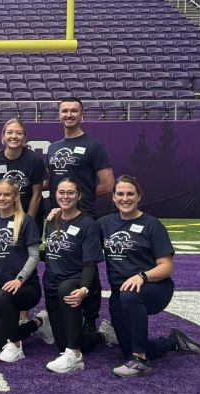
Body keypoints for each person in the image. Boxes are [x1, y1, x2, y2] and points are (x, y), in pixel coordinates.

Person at [98, 175, 200, 378]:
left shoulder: (152, 225)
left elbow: (166, 267)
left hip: (154, 287)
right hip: (120, 293)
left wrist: (142, 276)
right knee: (126, 349)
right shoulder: (104, 224)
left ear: (139, 196)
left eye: (130, 194)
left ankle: (140, 361)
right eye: (120, 194)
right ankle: (174, 342)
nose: (125, 198)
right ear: (113, 198)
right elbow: (81, 236)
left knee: (130, 295)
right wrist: (59, 213)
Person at [45, 97, 115, 334]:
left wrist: (77, 201)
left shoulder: (94, 146)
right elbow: (49, 182)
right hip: (58, 217)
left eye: (74, 110)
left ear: (81, 114)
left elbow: (107, 184)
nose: (69, 114)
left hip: (85, 217)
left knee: (88, 268)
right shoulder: (53, 147)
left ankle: (89, 317)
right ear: (59, 115)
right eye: (64, 111)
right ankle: (62, 311)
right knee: (61, 264)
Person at [42, 178, 109, 373]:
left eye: (70, 192)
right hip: (52, 283)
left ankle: (76, 355)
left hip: (75, 281)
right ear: (55, 194)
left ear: (79, 196)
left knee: (66, 289)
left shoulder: (88, 224)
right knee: (60, 344)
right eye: (61, 192)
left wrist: (84, 289)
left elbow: (89, 264)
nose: (65, 196)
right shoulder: (52, 219)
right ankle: (103, 336)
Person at [0, 178, 53, 363]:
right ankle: (39, 322)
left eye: (7, 194)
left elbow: (34, 256)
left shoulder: (26, 221)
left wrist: (19, 279)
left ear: (16, 197)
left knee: (9, 335)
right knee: (1, 342)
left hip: (26, 288)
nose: (2, 198)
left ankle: (16, 347)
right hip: (1, 292)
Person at [0, 118, 46, 221]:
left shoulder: (35, 160)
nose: (14, 136)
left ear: (24, 137)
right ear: (3, 136)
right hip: (4, 216)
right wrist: (5, 220)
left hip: (31, 216)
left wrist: (28, 223)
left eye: (19, 133)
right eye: (9, 133)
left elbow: (37, 195)